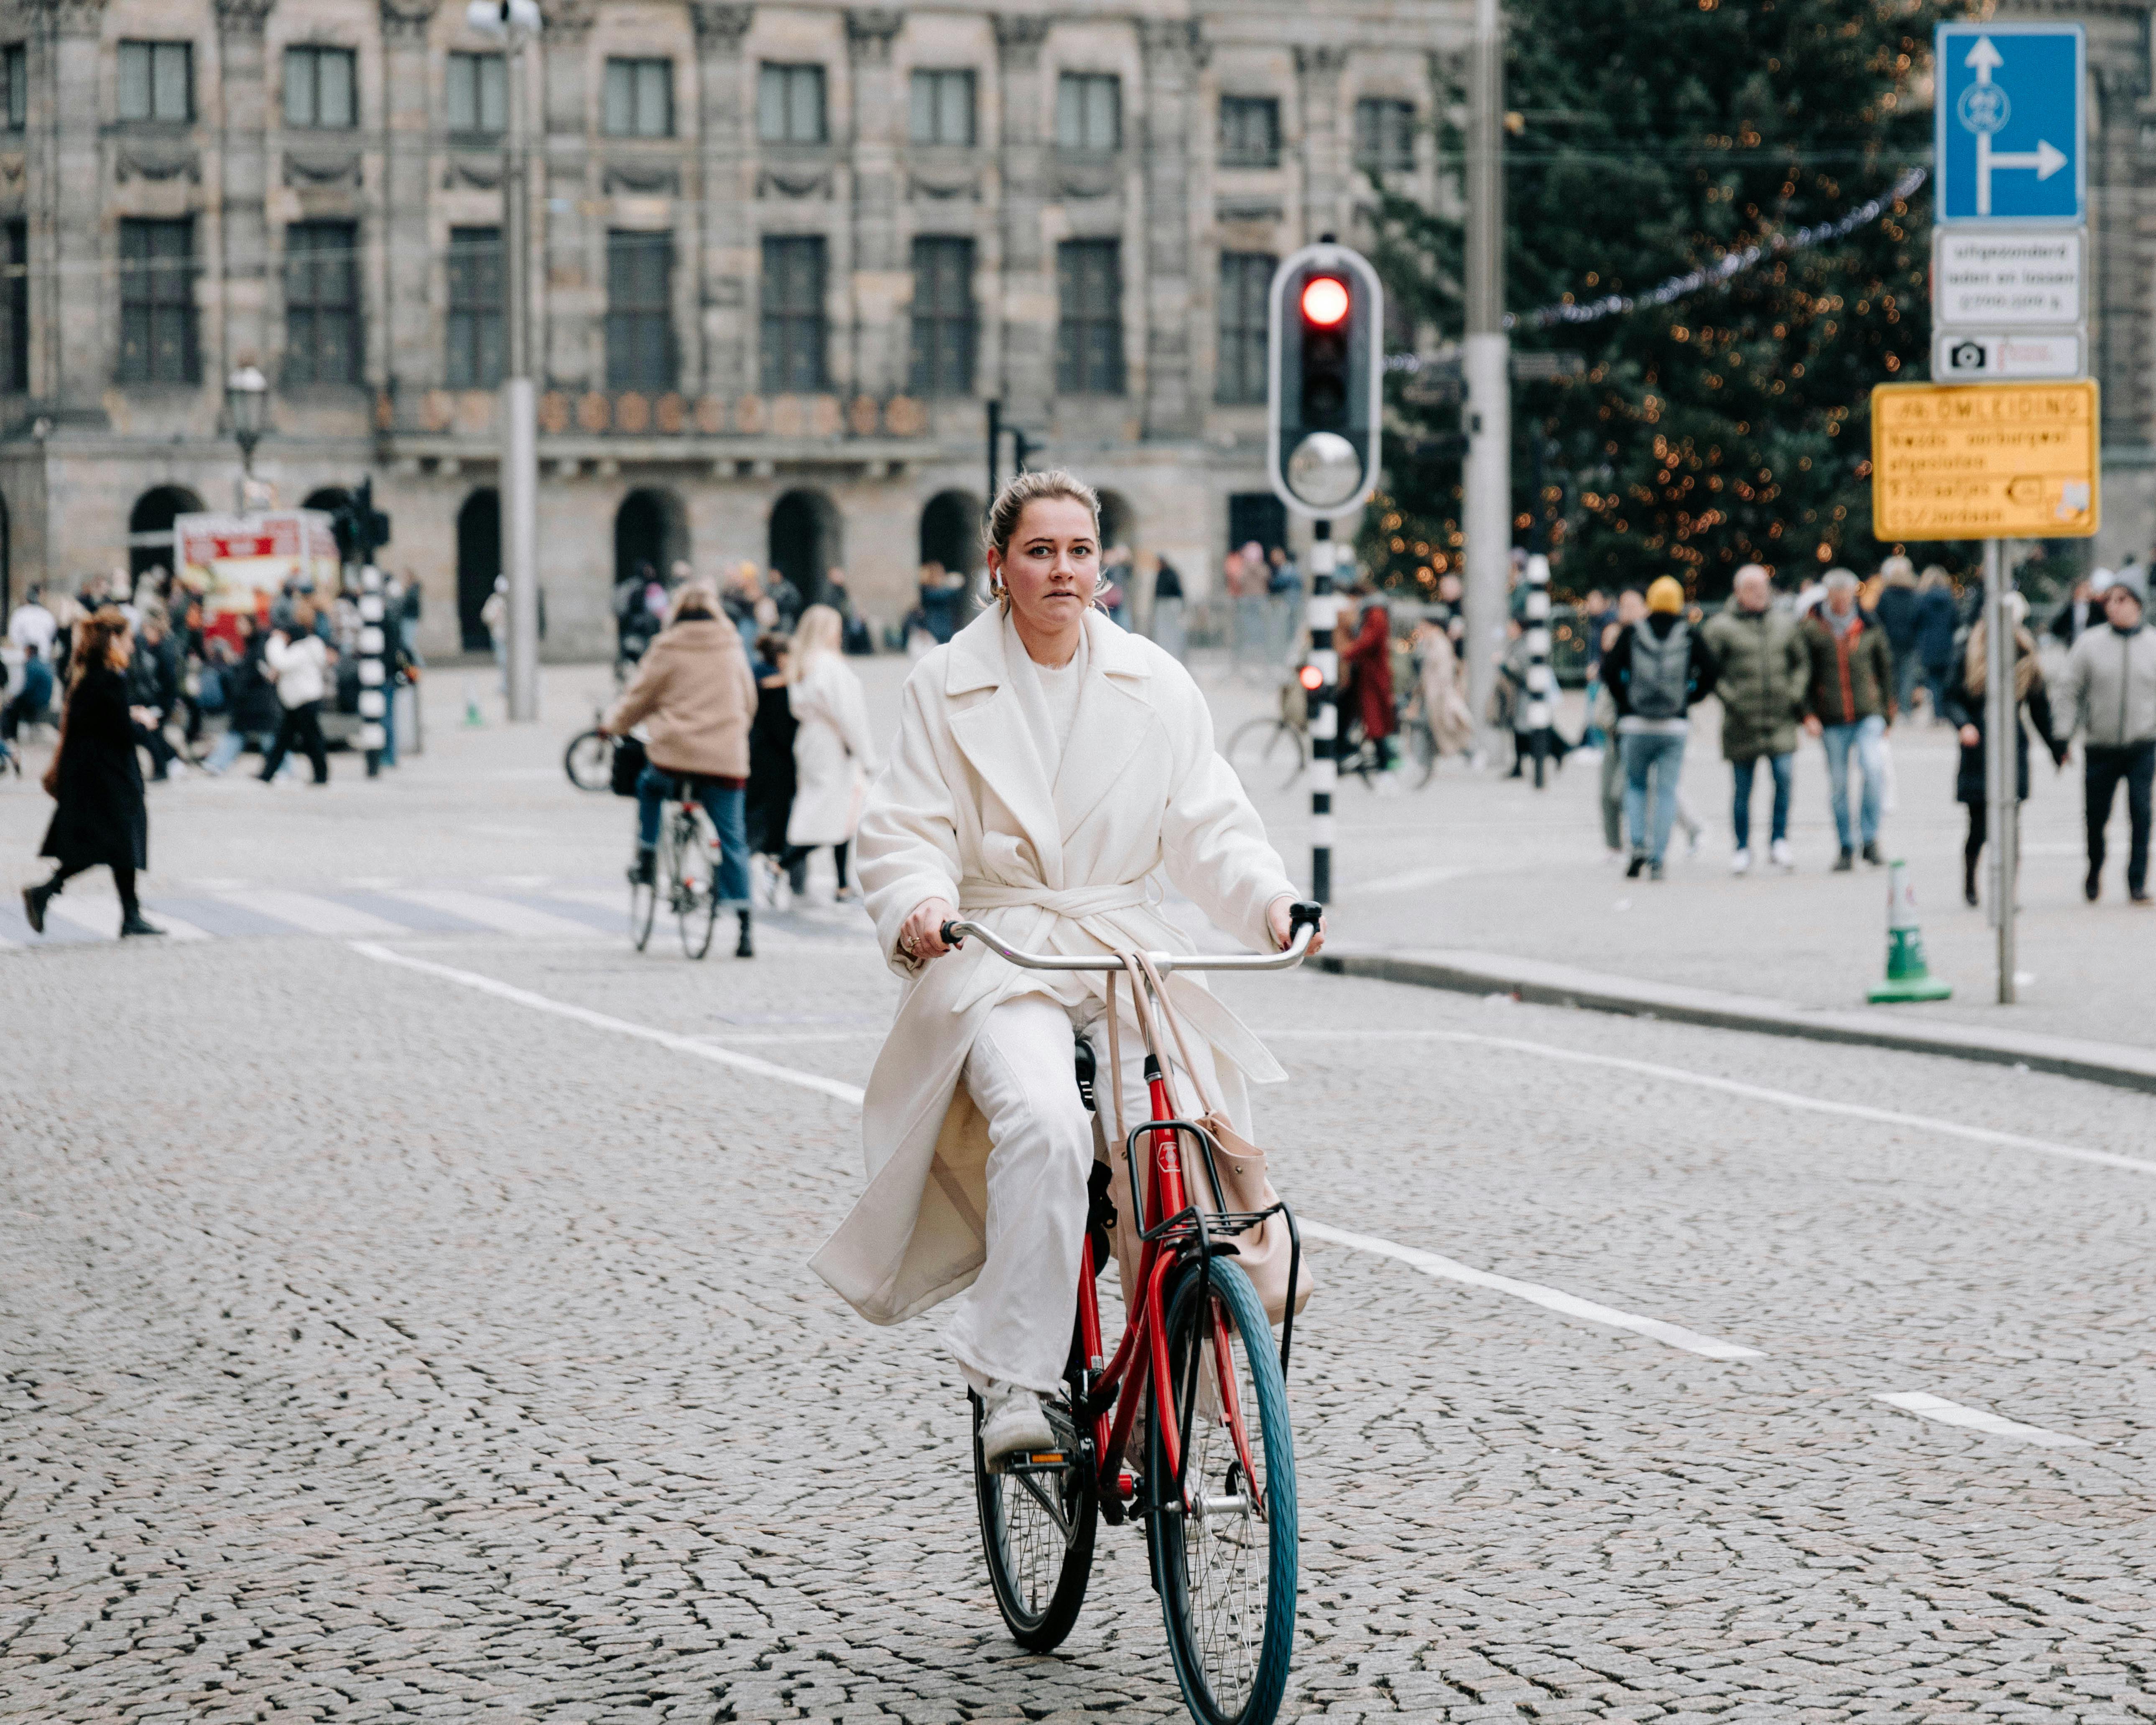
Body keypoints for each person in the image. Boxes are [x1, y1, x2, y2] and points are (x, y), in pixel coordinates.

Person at [808, 469, 1321, 1468]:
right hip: (996, 948)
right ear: (997, 566)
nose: (1061, 570)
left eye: (1079, 551)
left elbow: (1208, 823)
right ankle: (1019, 1379)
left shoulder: (1156, 682)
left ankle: (1162, 1377)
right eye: (1038, 551)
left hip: (1117, 944)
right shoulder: (943, 680)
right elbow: (905, 824)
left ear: (1104, 566)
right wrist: (919, 907)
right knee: (1042, 1120)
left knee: (1166, 1141)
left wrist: (1267, 902)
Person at [602, 577, 760, 955]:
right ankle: (744, 928)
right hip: (725, 760)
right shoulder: (732, 646)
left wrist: (613, 725)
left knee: (648, 785)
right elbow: (749, 700)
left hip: (675, 757)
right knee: (732, 836)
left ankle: (646, 853)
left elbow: (640, 697)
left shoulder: (667, 646)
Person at [20, 607, 163, 938]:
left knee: (113, 843)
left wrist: (128, 714)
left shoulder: (91, 675)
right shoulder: (109, 678)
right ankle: (48, 892)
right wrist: (140, 722)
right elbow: (118, 732)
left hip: (93, 773)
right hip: (107, 775)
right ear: (114, 638)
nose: (132, 645)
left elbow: (99, 720)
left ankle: (129, 914)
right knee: (113, 841)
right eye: (128, 638)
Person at [1943, 590, 2067, 908]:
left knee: (2011, 825)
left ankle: (2006, 894)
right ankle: (1970, 882)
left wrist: (2057, 747)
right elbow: (1950, 696)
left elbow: (2039, 707)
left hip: (2012, 742)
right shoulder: (1968, 648)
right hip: (1978, 743)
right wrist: (1962, 725)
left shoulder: (2024, 651)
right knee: (1980, 825)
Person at [1602, 574, 1717, 879]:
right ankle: (1657, 857)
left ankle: (1637, 844)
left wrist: (1625, 703)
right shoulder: (1689, 635)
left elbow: (1609, 670)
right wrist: (1688, 699)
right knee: (1666, 791)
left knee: (1635, 786)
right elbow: (1711, 672)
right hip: (1673, 726)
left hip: (1635, 724)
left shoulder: (1632, 634)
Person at [1703, 562, 1806, 874]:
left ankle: (1779, 841)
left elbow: (1801, 662)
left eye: (1764, 588)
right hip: (1741, 720)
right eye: (1752, 589)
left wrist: (1794, 693)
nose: (1760, 594)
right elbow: (1710, 671)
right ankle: (1741, 847)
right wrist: (1731, 699)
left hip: (1780, 717)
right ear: (1738, 592)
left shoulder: (1784, 624)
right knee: (1742, 788)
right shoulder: (1720, 627)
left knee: (1784, 779)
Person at [2063, 566, 2156, 903]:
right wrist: (2063, 735)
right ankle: (2094, 868)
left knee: (2142, 814)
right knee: (2096, 817)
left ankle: (2136, 881)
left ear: (2138, 605)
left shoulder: (2152, 645)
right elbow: (2069, 689)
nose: (2113, 606)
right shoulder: (2090, 644)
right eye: (2110, 600)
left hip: (2142, 745)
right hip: (2100, 745)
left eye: (2122, 600)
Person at [1801, 568, 1896, 870]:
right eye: (1836, 596)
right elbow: (1801, 674)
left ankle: (1869, 839)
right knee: (1839, 786)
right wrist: (1807, 714)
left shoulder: (1868, 625)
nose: (1841, 602)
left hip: (1867, 712)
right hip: (1831, 717)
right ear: (1828, 596)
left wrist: (1887, 712)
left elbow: (1885, 668)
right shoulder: (1812, 628)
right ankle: (1845, 845)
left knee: (1872, 769)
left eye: (1846, 596)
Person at [784, 603, 879, 899]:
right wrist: (865, 755)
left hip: (812, 740)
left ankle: (840, 883)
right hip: (832, 744)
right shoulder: (830, 665)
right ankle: (782, 865)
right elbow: (850, 715)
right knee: (832, 811)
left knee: (833, 810)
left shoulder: (804, 663)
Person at [746, 632, 799, 907]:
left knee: (749, 822)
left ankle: (737, 877)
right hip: (776, 764)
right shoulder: (778, 688)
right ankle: (775, 874)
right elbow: (783, 732)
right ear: (781, 658)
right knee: (777, 825)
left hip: (752, 756)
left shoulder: (753, 678)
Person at [259, 601, 334, 785]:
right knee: (284, 739)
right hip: (298, 700)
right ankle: (267, 774)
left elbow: (281, 662)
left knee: (310, 739)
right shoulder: (310, 646)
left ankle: (321, 775)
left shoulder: (302, 649)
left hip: (304, 700)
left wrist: (276, 641)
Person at [203, 614, 286, 776]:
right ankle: (217, 763)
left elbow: (261, 671)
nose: (239, 628)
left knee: (268, 738)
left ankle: (284, 768)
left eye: (242, 623)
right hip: (247, 702)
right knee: (239, 734)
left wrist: (237, 667)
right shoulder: (252, 644)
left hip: (259, 702)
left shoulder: (260, 644)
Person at [1338, 580, 1398, 785]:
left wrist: (1346, 653)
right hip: (1369, 676)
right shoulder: (1373, 611)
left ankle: (1384, 768)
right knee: (1372, 723)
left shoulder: (1375, 613)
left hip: (1373, 678)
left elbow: (1369, 641)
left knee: (1376, 725)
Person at [1874, 554, 1924, 722]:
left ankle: (1891, 708)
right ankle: (1905, 710)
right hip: (1910, 642)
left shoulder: (1886, 595)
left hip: (1889, 641)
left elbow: (1878, 617)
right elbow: (1919, 619)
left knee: (1891, 676)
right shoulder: (1915, 595)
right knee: (1907, 677)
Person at [1914, 566, 1960, 724]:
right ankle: (1945, 713)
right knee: (1946, 680)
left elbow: (1916, 620)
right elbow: (1956, 621)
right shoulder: (1950, 598)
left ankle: (1938, 714)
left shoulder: (1922, 598)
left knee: (1933, 681)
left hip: (1928, 644)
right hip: (1947, 644)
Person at [2048, 573, 2104, 653]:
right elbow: (2056, 628)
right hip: (2073, 646)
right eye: (2085, 588)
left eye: (2089, 588)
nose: (2088, 590)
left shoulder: (2096, 607)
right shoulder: (2071, 608)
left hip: (2091, 647)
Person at [1147, 553, 1186, 661]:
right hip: (1162, 606)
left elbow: (1179, 591)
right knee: (1162, 631)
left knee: (1172, 631)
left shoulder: (1171, 574)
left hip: (1171, 605)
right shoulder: (1160, 574)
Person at [479, 575, 508, 692]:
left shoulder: (514, 600)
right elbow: (486, 616)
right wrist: (496, 616)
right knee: (502, 660)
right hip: (499, 634)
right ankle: (505, 685)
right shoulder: (494, 601)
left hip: (511, 636)